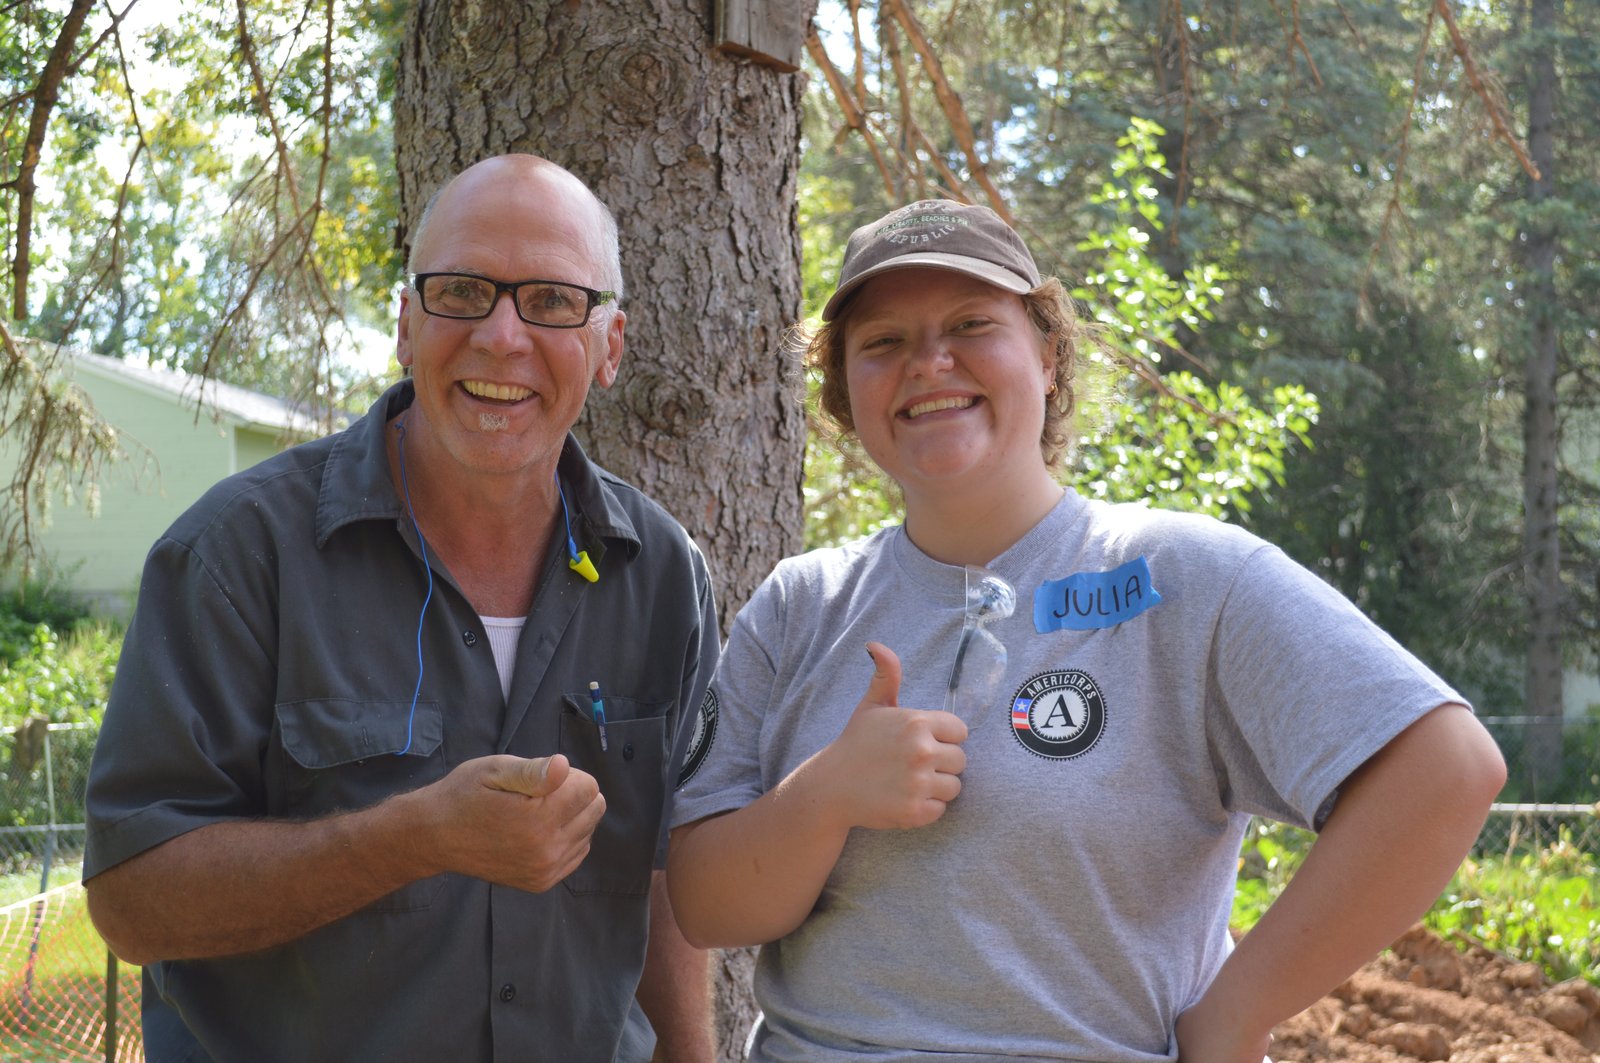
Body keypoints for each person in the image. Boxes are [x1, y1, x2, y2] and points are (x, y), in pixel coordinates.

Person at [666, 199, 1507, 1062]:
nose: (929, 361)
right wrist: (826, 794)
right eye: (882, 341)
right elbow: (705, 904)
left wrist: (1232, 1016)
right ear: (845, 391)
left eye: (970, 324)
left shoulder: (1184, 577)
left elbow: (1445, 771)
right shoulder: (798, 603)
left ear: (1050, 353)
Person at [83, 154, 719, 1062]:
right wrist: (412, 837)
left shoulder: (662, 574)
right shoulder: (236, 555)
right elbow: (131, 900)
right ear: (405, 324)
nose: (502, 337)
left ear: (610, 345)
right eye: (462, 291)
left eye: (550, 301)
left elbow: (661, 876)